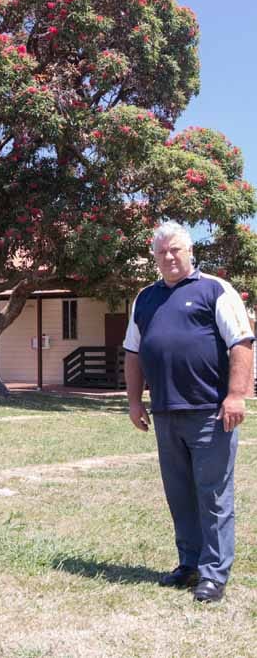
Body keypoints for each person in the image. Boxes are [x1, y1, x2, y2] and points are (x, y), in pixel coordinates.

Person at [123, 221, 254, 603]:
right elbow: (133, 352)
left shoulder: (215, 289)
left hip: (210, 412)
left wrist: (235, 396)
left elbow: (241, 342)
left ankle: (214, 575)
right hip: (165, 412)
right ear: (154, 257)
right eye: (161, 252)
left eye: (175, 249)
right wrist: (134, 402)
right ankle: (190, 564)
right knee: (179, 494)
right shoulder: (145, 298)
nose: (168, 257)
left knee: (213, 495)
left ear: (189, 251)